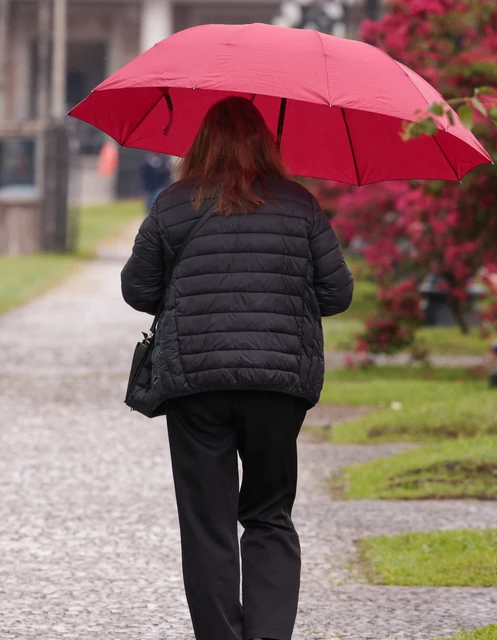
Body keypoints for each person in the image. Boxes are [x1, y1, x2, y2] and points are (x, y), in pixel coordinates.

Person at [119, 96, 354, 640]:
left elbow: (137, 288)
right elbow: (337, 292)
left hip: (195, 384)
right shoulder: (299, 205)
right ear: (267, 143)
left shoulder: (173, 204)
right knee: (270, 513)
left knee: (208, 524)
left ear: (199, 144)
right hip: (277, 384)